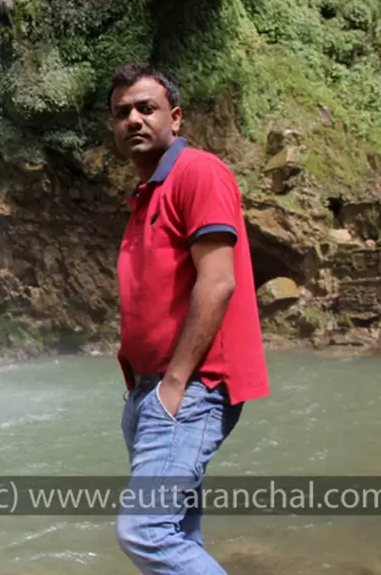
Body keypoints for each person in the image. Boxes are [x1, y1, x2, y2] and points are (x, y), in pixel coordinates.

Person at [108, 63, 270, 574]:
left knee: (146, 530)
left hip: (192, 388)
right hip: (151, 392)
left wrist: (174, 385)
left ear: (175, 118)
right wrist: (146, 390)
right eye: (121, 112)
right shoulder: (147, 195)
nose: (133, 118)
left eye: (146, 108)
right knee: (177, 532)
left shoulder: (197, 173)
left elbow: (218, 281)